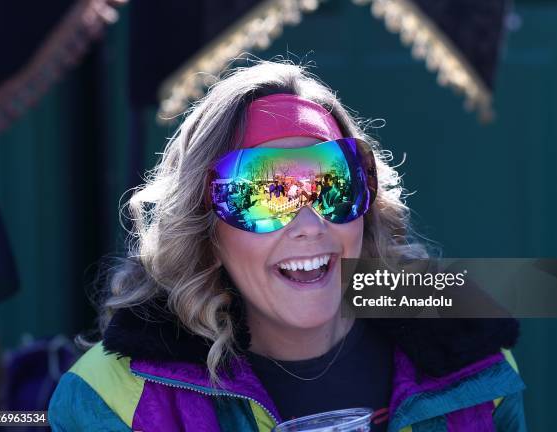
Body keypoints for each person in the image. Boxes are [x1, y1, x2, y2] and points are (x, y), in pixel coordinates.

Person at [48, 61, 526, 431]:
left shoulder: (474, 362)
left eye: (332, 184)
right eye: (264, 193)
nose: (307, 224)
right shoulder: (113, 398)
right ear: (206, 233)